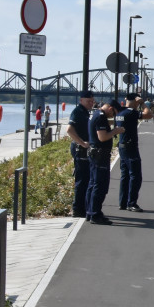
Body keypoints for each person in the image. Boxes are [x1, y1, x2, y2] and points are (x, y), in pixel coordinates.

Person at [86, 101, 124, 225]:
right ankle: (95, 214)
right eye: (113, 113)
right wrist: (115, 131)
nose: (112, 116)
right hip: (100, 155)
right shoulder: (101, 117)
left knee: (93, 184)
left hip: (95, 154)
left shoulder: (96, 113)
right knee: (100, 185)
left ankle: (91, 211)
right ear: (111, 108)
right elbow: (102, 137)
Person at [116, 93, 153, 213]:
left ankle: (122, 202)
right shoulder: (131, 112)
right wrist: (143, 103)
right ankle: (131, 203)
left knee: (125, 176)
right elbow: (149, 114)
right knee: (135, 176)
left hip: (122, 146)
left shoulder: (120, 112)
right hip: (131, 148)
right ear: (136, 101)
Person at [66, 90, 95, 218]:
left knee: (86, 179)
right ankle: (78, 209)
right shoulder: (78, 112)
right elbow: (69, 130)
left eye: (92, 101)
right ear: (81, 100)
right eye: (88, 101)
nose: (91, 103)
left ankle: (83, 207)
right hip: (80, 150)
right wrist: (82, 143)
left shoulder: (85, 112)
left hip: (83, 149)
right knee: (82, 180)